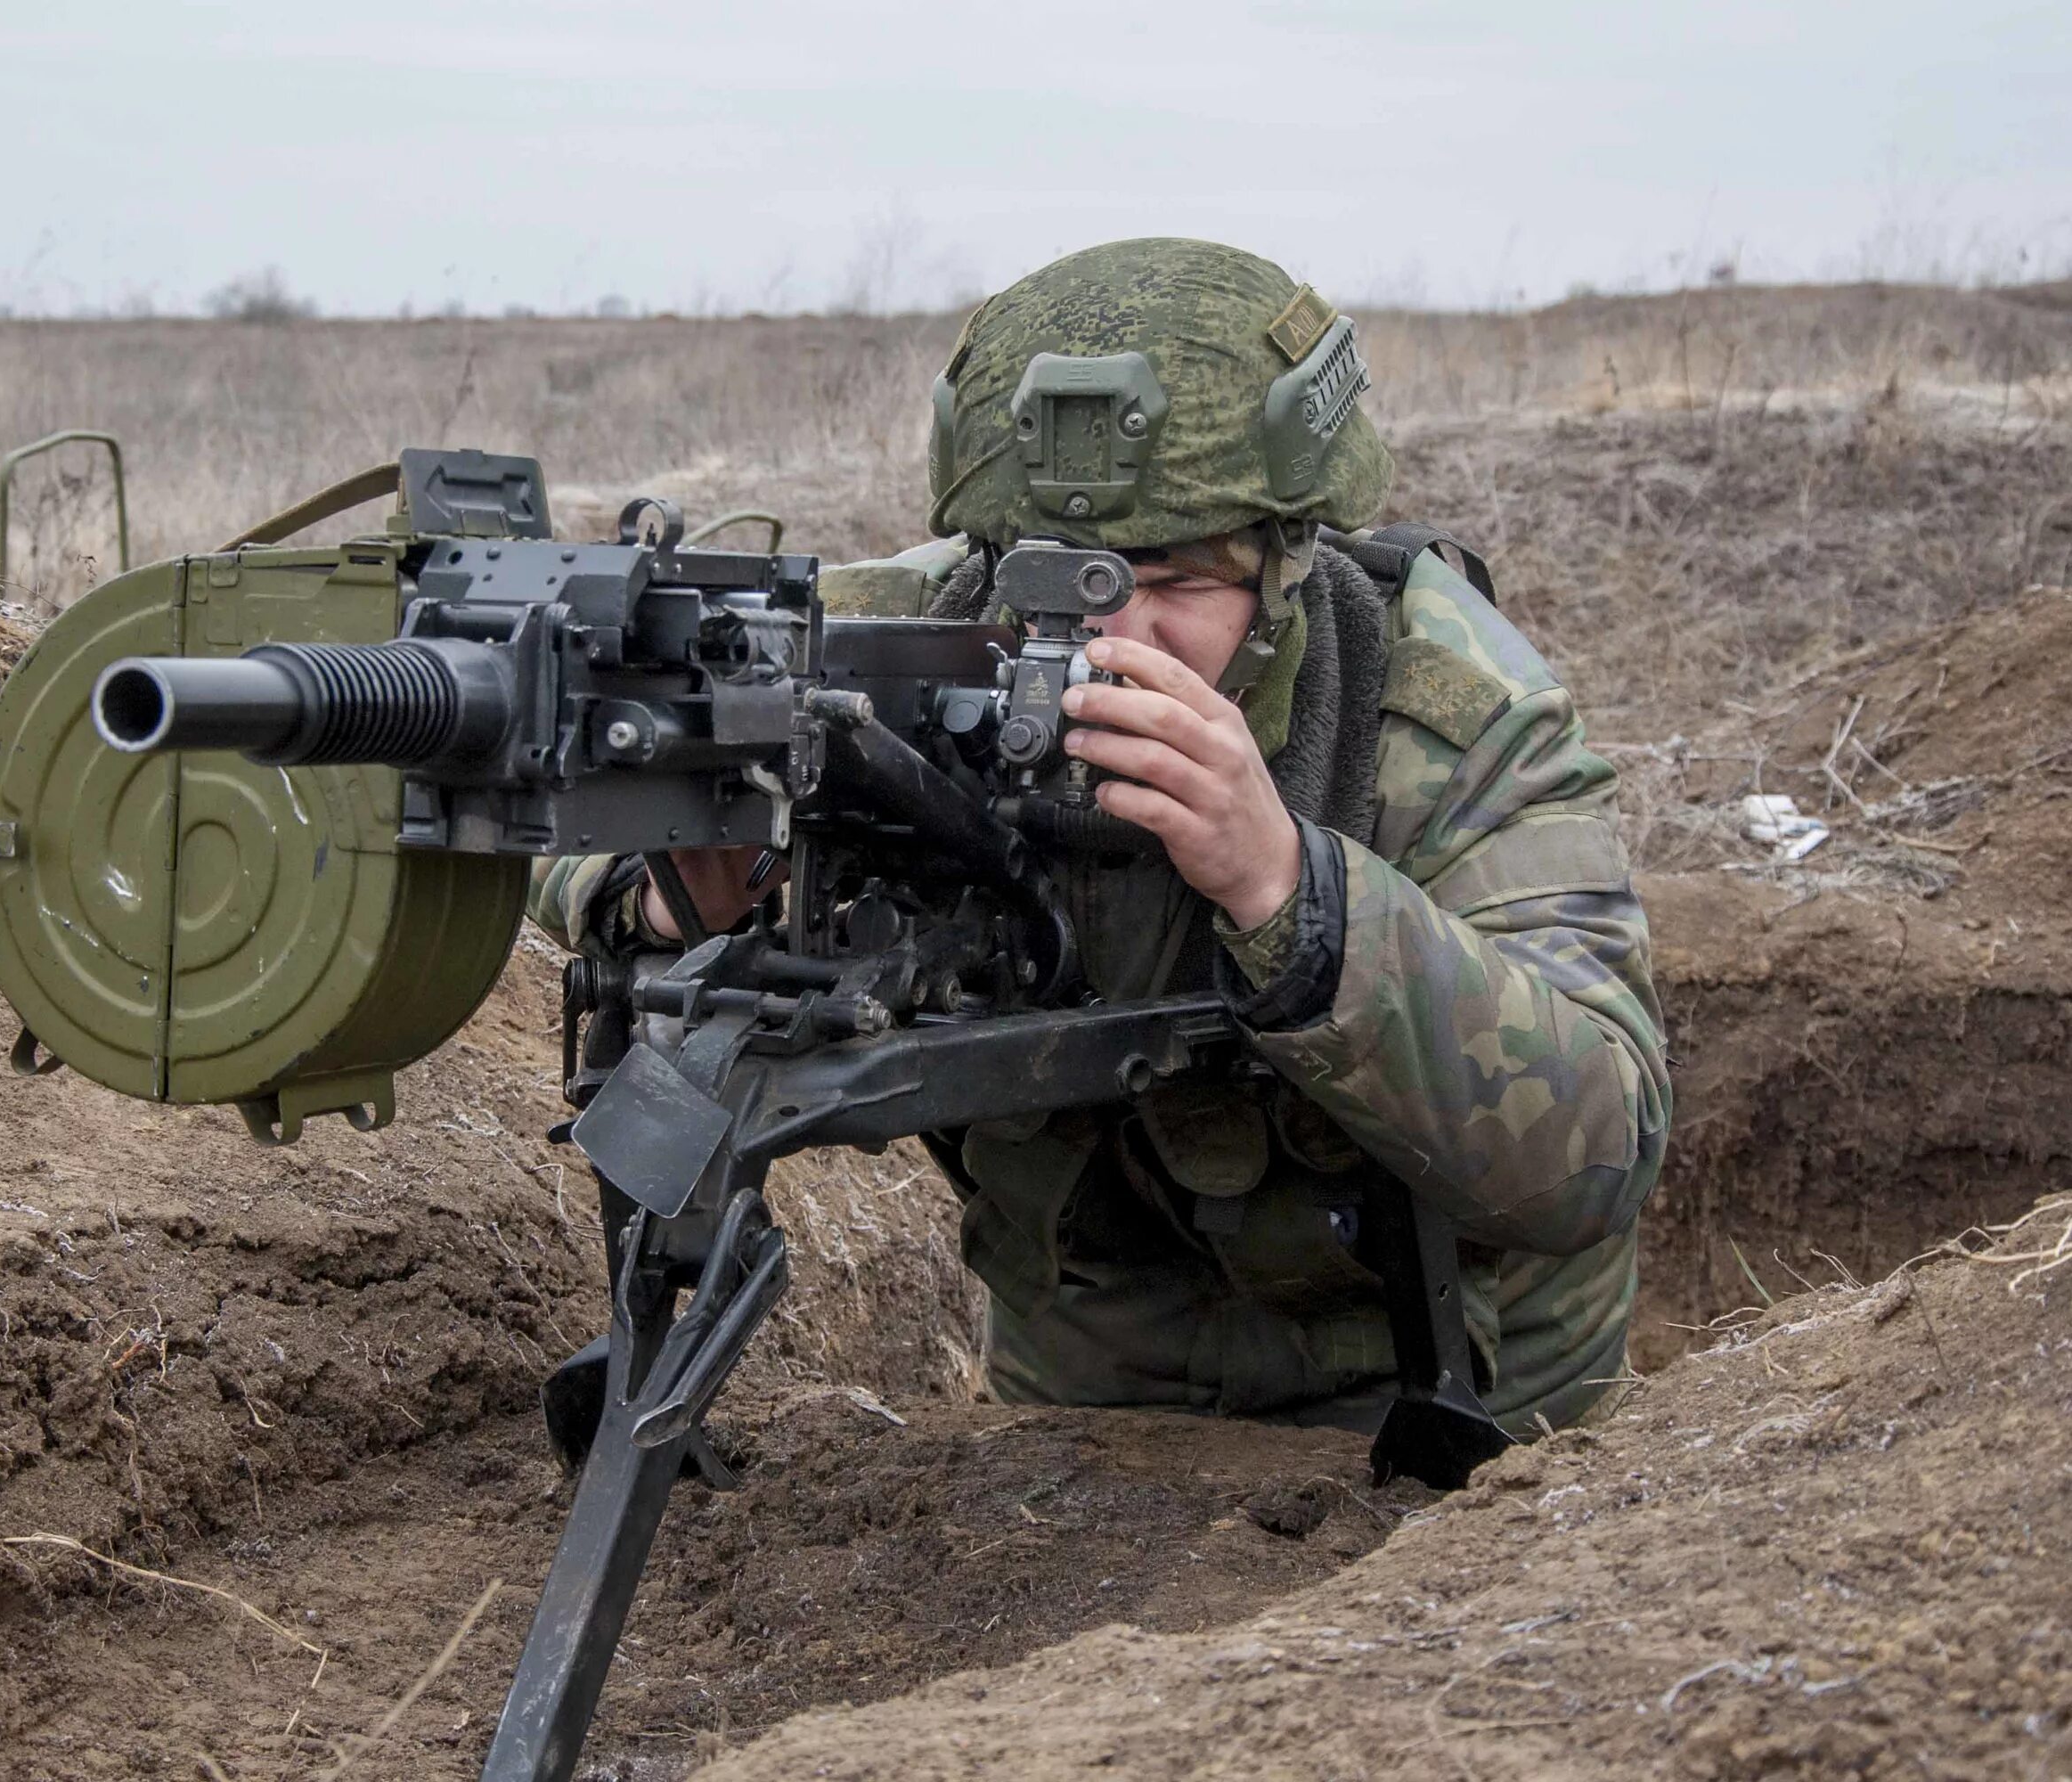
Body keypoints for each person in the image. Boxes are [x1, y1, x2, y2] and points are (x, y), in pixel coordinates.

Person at [531, 238, 1670, 1434]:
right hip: (1087, 1422)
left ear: (1286, 564)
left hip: (1474, 1424)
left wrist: (1293, 892)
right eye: (1061, 577)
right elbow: (583, 757)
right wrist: (665, 887)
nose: (1106, 631)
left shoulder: (1443, 716)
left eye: (1173, 580)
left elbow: (1600, 1143)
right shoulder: (901, 644)